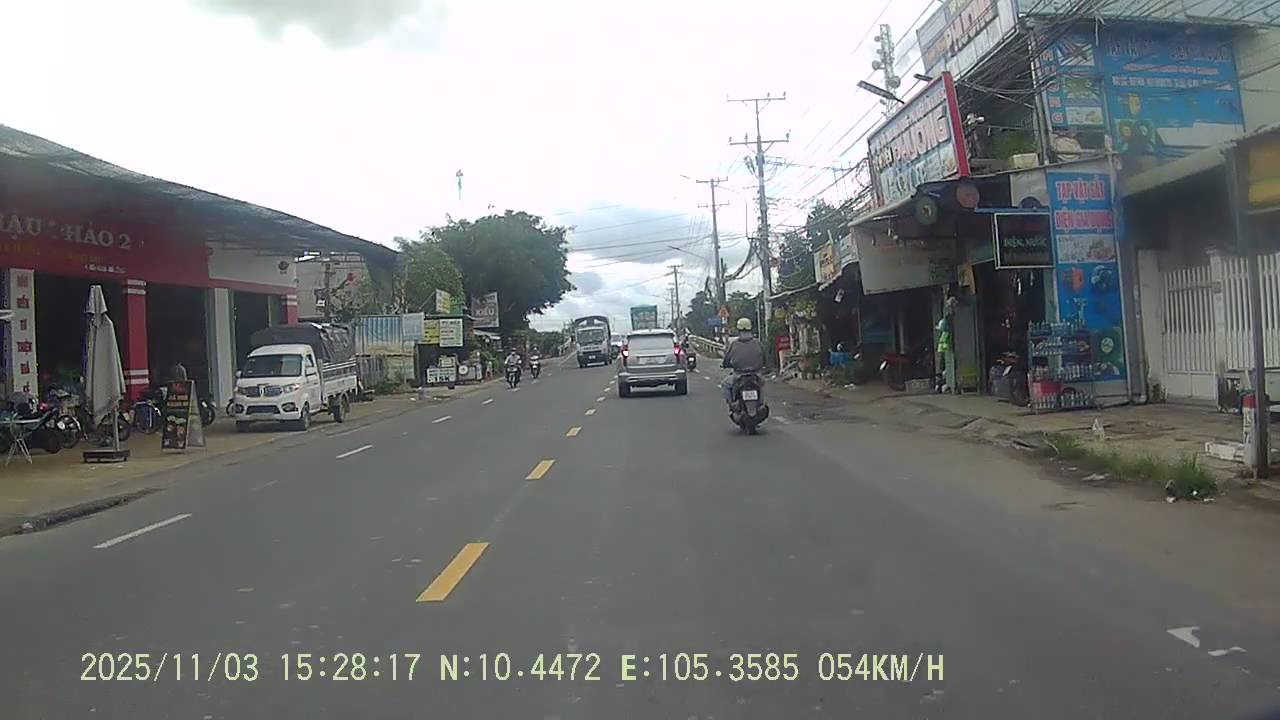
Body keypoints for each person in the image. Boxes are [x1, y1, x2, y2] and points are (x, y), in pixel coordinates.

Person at [720, 317, 766, 404]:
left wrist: (725, 364)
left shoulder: (734, 344)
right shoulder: (757, 343)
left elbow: (727, 359)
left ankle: (731, 404)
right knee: (761, 384)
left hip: (739, 375)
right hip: (755, 375)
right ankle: (761, 403)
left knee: (725, 384)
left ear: (738, 329)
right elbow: (764, 357)